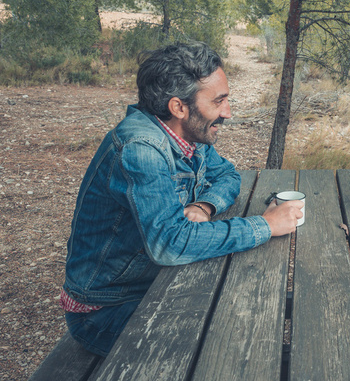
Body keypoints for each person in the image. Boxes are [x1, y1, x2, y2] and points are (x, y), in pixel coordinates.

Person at [61, 42, 302, 357]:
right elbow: (170, 243)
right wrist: (265, 225)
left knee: (246, 303)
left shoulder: (187, 132)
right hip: (108, 310)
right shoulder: (141, 149)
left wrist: (203, 205)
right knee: (230, 344)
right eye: (219, 101)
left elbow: (228, 176)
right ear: (178, 107)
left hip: (152, 280)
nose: (227, 112)